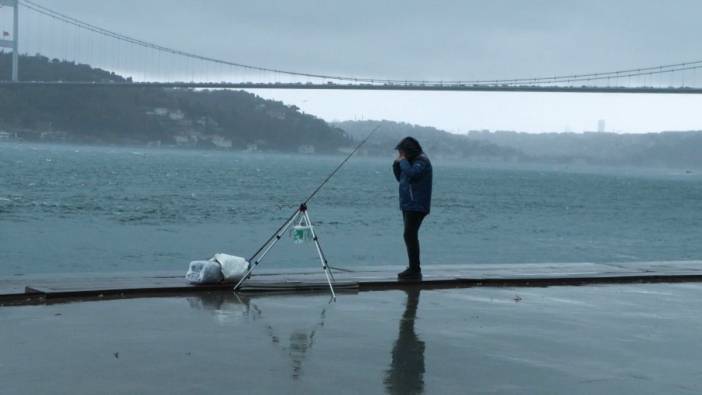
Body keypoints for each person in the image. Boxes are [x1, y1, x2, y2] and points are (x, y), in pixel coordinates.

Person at [392, 137, 432, 280]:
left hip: (417, 204)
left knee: (409, 234)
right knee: (409, 235)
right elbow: (400, 177)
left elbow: (413, 174)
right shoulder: (409, 162)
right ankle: (413, 268)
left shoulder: (422, 161)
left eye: (402, 152)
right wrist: (396, 165)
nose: (400, 155)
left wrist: (402, 161)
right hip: (408, 203)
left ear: (409, 150)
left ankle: (415, 269)